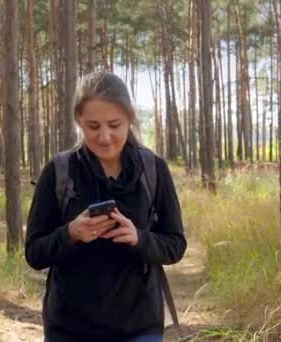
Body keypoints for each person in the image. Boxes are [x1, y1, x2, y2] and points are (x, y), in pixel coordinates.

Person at [25, 71, 186, 342]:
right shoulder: (59, 172)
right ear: (79, 121)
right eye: (93, 126)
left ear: (129, 120)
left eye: (114, 124)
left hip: (139, 327)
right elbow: (34, 252)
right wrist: (70, 234)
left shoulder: (152, 169)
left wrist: (139, 238)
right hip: (69, 328)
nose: (105, 136)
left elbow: (175, 244)